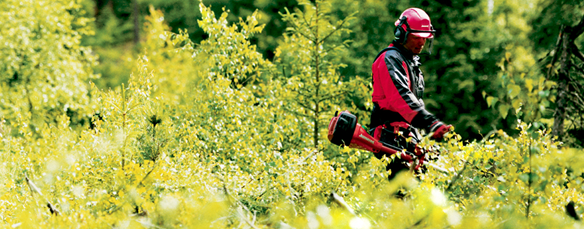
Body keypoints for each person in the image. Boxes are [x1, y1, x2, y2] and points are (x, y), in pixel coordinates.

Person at [369, 8, 452, 179]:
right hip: (391, 137)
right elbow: (401, 98)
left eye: (424, 38)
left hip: (407, 136)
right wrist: (430, 123)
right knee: (400, 196)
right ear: (402, 34)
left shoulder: (410, 61)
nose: (421, 42)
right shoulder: (390, 59)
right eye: (416, 37)